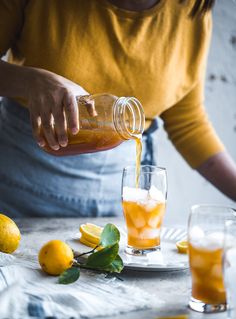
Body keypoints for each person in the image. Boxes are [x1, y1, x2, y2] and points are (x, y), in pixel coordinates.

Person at [0, 0, 235, 217]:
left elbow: (188, 122)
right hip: (21, 191)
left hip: (120, 203)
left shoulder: (192, 9)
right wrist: (30, 81)